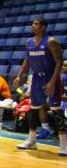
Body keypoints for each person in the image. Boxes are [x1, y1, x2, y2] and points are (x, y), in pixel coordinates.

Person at [14, 18, 65, 155]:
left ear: (43, 27)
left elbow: (60, 62)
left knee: (56, 110)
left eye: (35, 24)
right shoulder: (29, 42)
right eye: (32, 23)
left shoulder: (51, 42)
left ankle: (64, 145)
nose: (32, 25)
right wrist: (20, 75)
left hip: (50, 78)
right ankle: (31, 141)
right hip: (36, 78)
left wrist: (53, 81)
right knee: (34, 109)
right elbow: (27, 60)